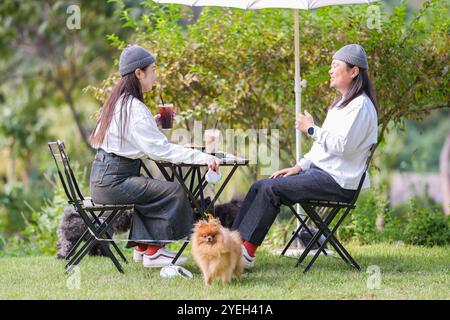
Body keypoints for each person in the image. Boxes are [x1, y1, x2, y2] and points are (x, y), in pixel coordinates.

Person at [231, 44, 378, 269]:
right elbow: (322, 149)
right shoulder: (341, 104)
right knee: (262, 185)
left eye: (335, 66)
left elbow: (343, 147)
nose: (330, 70)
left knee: (272, 190)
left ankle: (247, 254)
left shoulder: (361, 107)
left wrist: (311, 129)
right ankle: (233, 244)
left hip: (338, 182)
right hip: (321, 173)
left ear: (354, 71)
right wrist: (299, 167)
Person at [89, 45, 221, 268]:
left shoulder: (121, 102)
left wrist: (154, 123)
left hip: (104, 178)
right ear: (139, 73)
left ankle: (144, 248)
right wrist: (201, 157)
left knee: (153, 190)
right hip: (113, 181)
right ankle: (155, 251)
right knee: (172, 191)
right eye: (153, 70)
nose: (156, 76)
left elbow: (130, 137)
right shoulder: (134, 108)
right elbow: (160, 151)